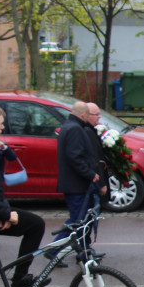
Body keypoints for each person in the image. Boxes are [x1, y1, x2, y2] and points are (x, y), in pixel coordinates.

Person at [0, 105, 48, 287]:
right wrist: (5, 213)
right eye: (1, 123)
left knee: (35, 224)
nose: (4, 127)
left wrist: (3, 214)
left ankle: (19, 278)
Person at [51, 101, 103, 258]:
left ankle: (83, 252)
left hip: (74, 184)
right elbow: (75, 157)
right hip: (76, 185)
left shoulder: (69, 126)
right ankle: (54, 251)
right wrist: (90, 174)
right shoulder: (75, 129)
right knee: (77, 221)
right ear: (83, 114)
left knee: (79, 220)